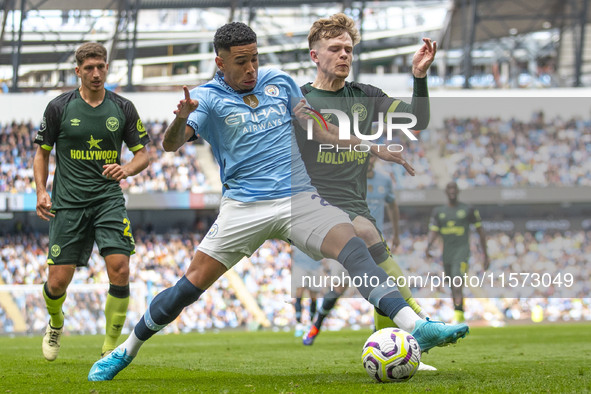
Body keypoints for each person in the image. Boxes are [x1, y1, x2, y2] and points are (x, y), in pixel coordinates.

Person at [88, 22, 468, 381]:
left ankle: (418, 328)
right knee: (189, 287)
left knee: (355, 246)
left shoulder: (280, 83)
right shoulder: (205, 98)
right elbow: (171, 145)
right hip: (244, 207)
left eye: (254, 58)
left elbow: (321, 131)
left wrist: (373, 147)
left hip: (298, 199)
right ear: (220, 62)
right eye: (241, 62)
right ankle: (126, 350)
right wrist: (180, 119)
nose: (251, 68)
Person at [297, 13, 431, 345]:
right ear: (315, 55)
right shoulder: (298, 99)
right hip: (309, 205)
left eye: (349, 49)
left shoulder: (366, 96)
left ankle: (393, 342)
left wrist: (419, 76)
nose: (345, 55)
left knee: (374, 263)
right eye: (335, 49)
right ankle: (421, 323)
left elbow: (419, 120)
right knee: (368, 238)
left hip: (354, 204)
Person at [33, 42, 150, 361]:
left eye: (101, 66)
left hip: (108, 200)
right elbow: (42, 152)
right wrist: (41, 191)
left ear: (107, 68)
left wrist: (125, 169)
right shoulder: (59, 107)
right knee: (57, 282)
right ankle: (55, 323)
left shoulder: (122, 107)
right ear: (78, 71)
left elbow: (144, 156)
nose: (96, 73)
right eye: (89, 68)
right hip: (68, 203)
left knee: (120, 269)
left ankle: (111, 347)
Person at [426, 181, 489, 323]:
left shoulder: (468, 209)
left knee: (456, 282)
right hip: (447, 254)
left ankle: (459, 318)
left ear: (458, 191)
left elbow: (481, 231)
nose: (452, 191)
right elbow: (433, 231)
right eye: (449, 188)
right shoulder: (439, 211)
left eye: (454, 188)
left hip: (462, 253)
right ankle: (459, 311)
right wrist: (428, 246)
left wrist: (486, 255)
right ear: (446, 192)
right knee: (451, 283)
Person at [291, 246, 322, 337]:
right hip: (300, 266)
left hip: (314, 266)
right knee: (299, 294)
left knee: (313, 297)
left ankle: (310, 324)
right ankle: (299, 325)